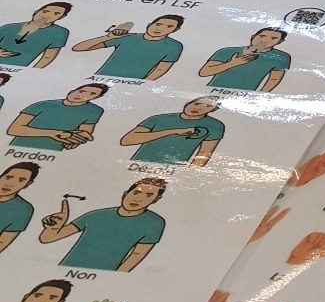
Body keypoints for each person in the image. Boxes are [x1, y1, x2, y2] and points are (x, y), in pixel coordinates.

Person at [39, 178, 167, 272]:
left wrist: (114, 277)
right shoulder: (96, 215)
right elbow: (47, 238)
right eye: (136, 193)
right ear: (125, 193)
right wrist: (54, 227)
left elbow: (136, 255)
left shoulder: (154, 223)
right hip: (67, 268)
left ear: (155, 200)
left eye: (149, 195)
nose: (138, 199)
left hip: (106, 273)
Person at [72, 14, 184, 80]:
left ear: (175, 30)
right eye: (158, 24)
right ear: (150, 25)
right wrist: (108, 37)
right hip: (101, 78)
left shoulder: (174, 46)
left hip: (133, 82)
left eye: (169, 26)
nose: (160, 28)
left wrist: (142, 83)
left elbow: (161, 69)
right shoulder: (128, 37)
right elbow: (79, 48)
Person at [120, 97, 225, 166]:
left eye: (208, 106)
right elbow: (127, 140)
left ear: (212, 110)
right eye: (197, 103)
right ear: (187, 104)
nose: (199, 108)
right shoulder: (158, 119)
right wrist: (174, 131)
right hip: (139, 163)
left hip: (175, 167)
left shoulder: (214, 126)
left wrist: (192, 172)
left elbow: (204, 153)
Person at [7, 82, 107, 150]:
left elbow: (84, 132)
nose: (82, 95)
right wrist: (53, 133)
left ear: (96, 97)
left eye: (92, 94)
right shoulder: (42, 105)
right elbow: (14, 129)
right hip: (22, 144)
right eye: (81, 91)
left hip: (56, 147)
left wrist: (78, 139)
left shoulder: (94, 110)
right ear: (72, 91)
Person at [199, 28, 289, 92]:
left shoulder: (281, 57)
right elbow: (204, 72)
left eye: (274, 38)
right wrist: (233, 63)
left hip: (245, 94)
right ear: (253, 36)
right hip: (214, 90)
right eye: (262, 36)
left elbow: (274, 79)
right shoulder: (227, 51)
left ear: (280, 41)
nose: (265, 40)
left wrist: (261, 94)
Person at [0, 1, 72, 67]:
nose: (48, 15)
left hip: (18, 67)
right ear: (36, 12)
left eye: (56, 14)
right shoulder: (9, 27)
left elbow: (48, 57)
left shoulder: (59, 32)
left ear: (62, 17)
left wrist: (33, 71)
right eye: (45, 12)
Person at [0, 162, 38, 254]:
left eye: (21, 180)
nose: (10, 184)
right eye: (8, 178)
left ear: (27, 184)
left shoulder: (23, 209)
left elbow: (2, 242)